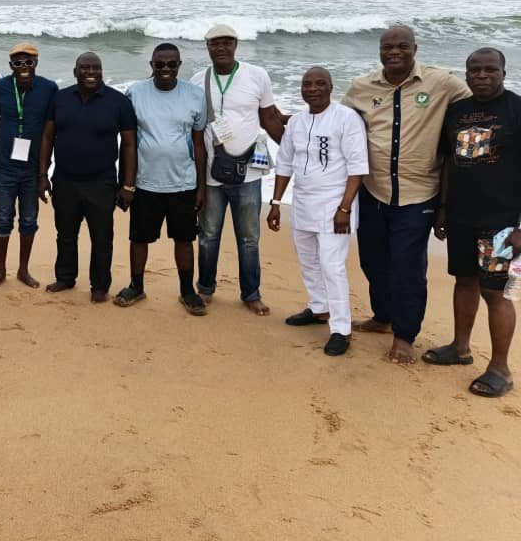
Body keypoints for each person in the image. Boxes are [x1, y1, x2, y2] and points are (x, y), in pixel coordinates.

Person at [343, 24, 471, 364]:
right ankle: (383, 317)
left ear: (415, 49)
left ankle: (404, 335)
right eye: (387, 47)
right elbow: (337, 122)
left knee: (408, 269)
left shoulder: (441, 82)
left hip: (419, 195)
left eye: (402, 46)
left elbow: (480, 102)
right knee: (373, 261)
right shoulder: (361, 87)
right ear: (380, 50)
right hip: (373, 191)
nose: (394, 52)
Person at [424, 48, 521, 397]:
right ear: (465, 75)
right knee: (463, 281)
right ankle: (460, 348)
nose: (482, 75)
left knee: (496, 292)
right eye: (475, 70)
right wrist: (443, 208)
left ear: (503, 72)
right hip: (461, 217)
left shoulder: (516, 109)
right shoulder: (457, 112)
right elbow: (449, 162)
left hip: (503, 224)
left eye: (490, 69)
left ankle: (500, 369)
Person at [267, 67, 369, 356]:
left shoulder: (346, 118)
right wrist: (275, 203)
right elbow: (285, 163)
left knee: (331, 266)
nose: (312, 89)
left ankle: (341, 328)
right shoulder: (297, 122)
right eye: (307, 84)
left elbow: (358, 167)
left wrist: (344, 208)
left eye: (320, 83)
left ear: (331, 87)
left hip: (334, 204)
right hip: (302, 203)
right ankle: (319, 307)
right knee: (308, 260)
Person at [193, 23, 286, 316]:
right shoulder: (197, 80)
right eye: (214, 43)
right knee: (208, 235)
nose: (221, 47)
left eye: (227, 42)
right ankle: (205, 289)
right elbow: (192, 127)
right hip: (211, 172)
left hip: (249, 173)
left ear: (236, 45)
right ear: (207, 47)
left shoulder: (257, 76)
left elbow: (269, 117)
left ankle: (251, 294)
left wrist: (292, 148)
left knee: (248, 238)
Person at [113, 43, 207, 313]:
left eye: (171, 64)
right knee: (139, 239)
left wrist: (201, 187)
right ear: (151, 65)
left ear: (179, 66)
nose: (165, 69)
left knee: (184, 239)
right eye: (159, 64)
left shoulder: (195, 95)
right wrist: (125, 183)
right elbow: (127, 141)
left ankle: (187, 291)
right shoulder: (135, 93)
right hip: (145, 183)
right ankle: (136, 286)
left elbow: (199, 143)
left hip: (183, 183)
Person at [39, 52, 137, 303]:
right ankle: (65, 277)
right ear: (75, 72)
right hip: (64, 180)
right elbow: (47, 136)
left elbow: (129, 144)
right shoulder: (60, 98)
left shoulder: (118, 101)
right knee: (65, 234)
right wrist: (43, 175)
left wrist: (128, 185)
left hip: (102, 182)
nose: (90, 72)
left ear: (102, 71)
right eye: (85, 67)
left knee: (102, 239)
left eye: (95, 68)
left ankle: (100, 286)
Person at [0, 42, 58, 288]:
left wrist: (44, 174)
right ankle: (0, 271)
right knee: (3, 218)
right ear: (11, 66)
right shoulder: (0, 87)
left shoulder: (49, 88)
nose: (24, 67)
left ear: (36, 63)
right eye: (18, 63)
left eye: (29, 62)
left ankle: (23, 270)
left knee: (29, 220)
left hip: (32, 170)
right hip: (4, 167)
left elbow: (51, 132)